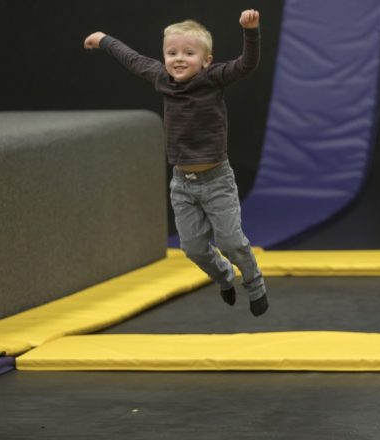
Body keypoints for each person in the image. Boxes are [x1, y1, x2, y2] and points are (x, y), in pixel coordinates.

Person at [83, 10, 268, 317]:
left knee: (232, 241)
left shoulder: (213, 79)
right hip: (182, 184)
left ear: (206, 60)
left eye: (189, 53)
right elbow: (131, 58)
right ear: (164, 57)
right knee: (193, 249)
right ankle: (223, 276)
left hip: (217, 180)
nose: (179, 59)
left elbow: (247, 64)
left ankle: (255, 283)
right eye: (172, 53)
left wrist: (251, 31)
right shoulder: (161, 77)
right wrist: (104, 40)